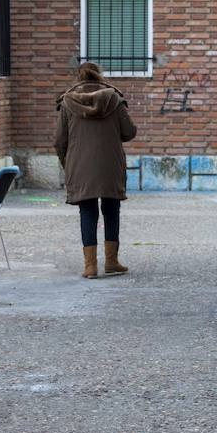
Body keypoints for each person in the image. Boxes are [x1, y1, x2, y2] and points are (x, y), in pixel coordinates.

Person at [54, 62, 137, 279]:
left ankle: (90, 267)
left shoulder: (68, 102)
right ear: (99, 76)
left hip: (80, 165)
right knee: (111, 211)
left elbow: (59, 140)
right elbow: (128, 133)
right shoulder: (114, 99)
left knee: (87, 212)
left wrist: (67, 163)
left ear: (79, 77)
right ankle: (111, 261)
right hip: (110, 164)